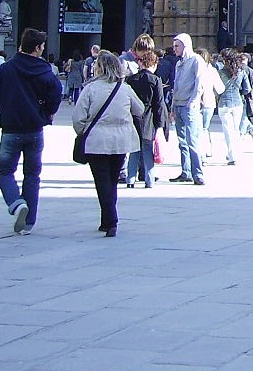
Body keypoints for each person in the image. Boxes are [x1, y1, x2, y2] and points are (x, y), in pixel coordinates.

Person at [0, 28, 63, 235]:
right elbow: (56, 94)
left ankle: (16, 202)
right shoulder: (46, 71)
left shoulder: (6, 69)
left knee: (5, 172)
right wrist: (46, 113)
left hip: (11, 129)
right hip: (35, 129)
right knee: (32, 175)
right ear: (37, 48)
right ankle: (28, 223)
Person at [72, 50, 145, 237]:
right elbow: (140, 109)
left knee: (102, 181)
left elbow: (78, 118)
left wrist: (83, 131)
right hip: (121, 141)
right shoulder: (124, 88)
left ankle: (110, 220)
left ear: (99, 68)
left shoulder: (90, 88)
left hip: (97, 141)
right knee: (112, 181)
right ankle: (107, 220)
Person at [169, 34, 209, 185]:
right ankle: (185, 172)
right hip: (179, 105)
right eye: (174, 46)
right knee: (182, 141)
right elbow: (176, 85)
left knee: (193, 141)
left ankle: (198, 173)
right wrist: (172, 108)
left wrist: (193, 101)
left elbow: (200, 83)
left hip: (189, 106)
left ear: (185, 45)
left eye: (177, 46)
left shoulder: (196, 60)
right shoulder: (179, 63)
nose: (174, 49)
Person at [125, 47, 167, 188]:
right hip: (149, 118)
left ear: (141, 63)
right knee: (148, 150)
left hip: (133, 117)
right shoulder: (155, 80)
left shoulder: (131, 79)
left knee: (134, 150)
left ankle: (130, 179)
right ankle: (149, 180)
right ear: (154, 64)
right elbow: (159, 104)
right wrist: (160, 125)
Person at [216, 51, 253, 164]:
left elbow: (218, 88)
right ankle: (235, 153)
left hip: (224, 103)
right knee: (236, 128)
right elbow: (247, 89)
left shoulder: (220, 72)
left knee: (227, 129)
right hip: (238, 102)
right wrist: (239, 92)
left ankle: (232, 155)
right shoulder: (241, 72)